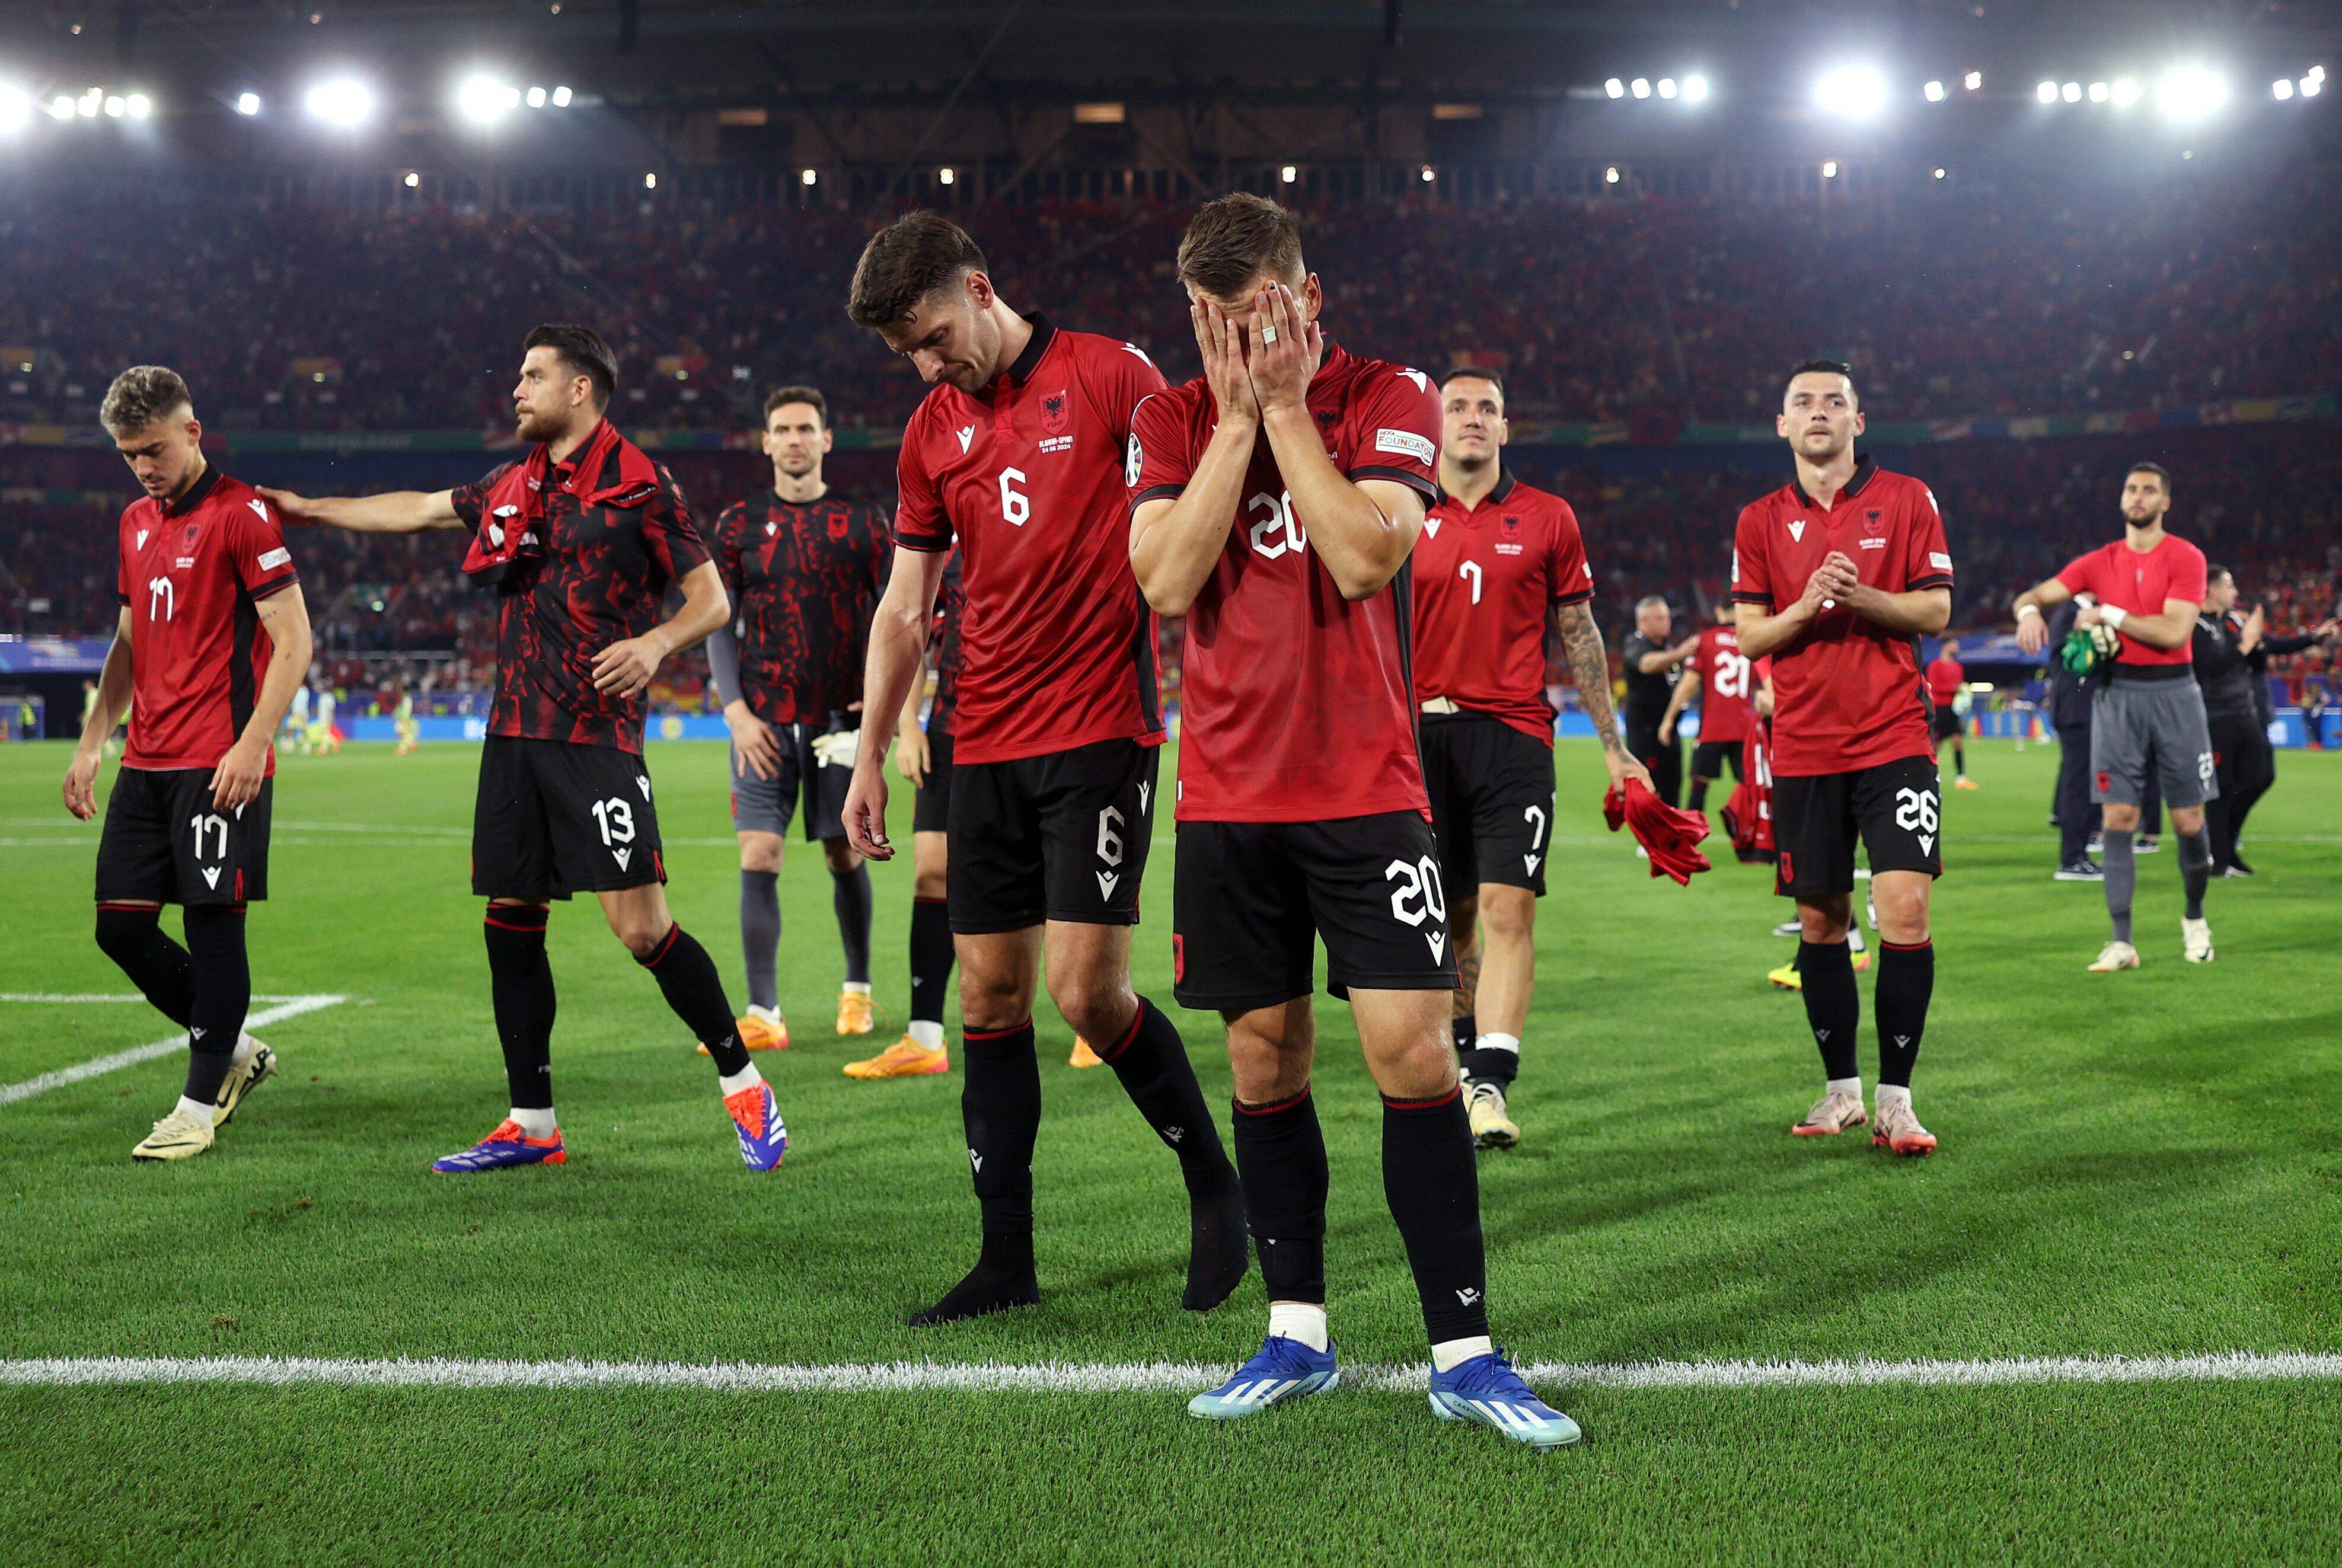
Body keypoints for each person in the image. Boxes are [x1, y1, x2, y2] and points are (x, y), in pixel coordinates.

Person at [1131, 194, 1578, 1448]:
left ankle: (1466, 1350)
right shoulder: (1170, 416)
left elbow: (1366, 555)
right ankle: (1298, 1332)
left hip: (1369, 789)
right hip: (1226, 794)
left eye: (1256, 315)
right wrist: (1233, 423)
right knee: (1263, 1064)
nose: (1234, 339)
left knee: (1414, 1056)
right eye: (1211, 321)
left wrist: (1281, 412)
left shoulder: (1391, 393)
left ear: (1305, 297)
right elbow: (1164, 580)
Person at [840, 212, 1246, 1324]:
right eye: (908, 353)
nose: (930, 365)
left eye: (933, 336)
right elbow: (905, 609)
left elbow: (1191, 528)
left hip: (1101, 734)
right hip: (984, 744)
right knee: (989, 992)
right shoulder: (931, 432)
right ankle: (1006, 1259)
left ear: (980, 286)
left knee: (1084, 991)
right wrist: (872, 751)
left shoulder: (1114, 377)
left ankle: (1217, 1185)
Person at [261, 324, 786, 1173]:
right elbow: (423, 508)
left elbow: (710, 599)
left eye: (533, 375)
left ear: (580, 389)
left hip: (594, 736)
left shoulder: (640, 483)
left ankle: (743, 1083)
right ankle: (532, 1123)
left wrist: (654, 646)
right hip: (512, 734)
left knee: (643, 929)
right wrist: (313, 509)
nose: (517, 387)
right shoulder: (512, 482)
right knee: (510, 924)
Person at [63, 366, 312, 1160]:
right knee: (118, 927)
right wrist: (92, 740)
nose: (144, 466)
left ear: (192, 432)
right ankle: (237, 1051)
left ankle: (198, 1107)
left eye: (155, 449)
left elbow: (294, 638)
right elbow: (129, 645)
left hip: (218, 760)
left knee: (213, 932)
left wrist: (254, 741)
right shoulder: (136, 522)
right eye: (131, 454)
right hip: (146, 759)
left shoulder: (243, 516)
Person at [1409, 366, 1647, 1151]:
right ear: (1434, 421)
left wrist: (1615, 749)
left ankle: (1488, 1081)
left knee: (1510, 906)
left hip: (1514, 736)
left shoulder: (1548, 517)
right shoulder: (1399, 507)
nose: (1473, 419)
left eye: (1488, 409)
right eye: (1458, 406)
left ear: (1505, 428)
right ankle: (1455, 1058)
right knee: (1451, 915)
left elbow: (1579, 633)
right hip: (1415, 737)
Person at [1732, 360, 1951, 1158]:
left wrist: (1860, 599)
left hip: (1893, 737)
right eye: (1801, 402)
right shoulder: (1758, 520)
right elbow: (1749, 634)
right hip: (1802, 747)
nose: (1817, 412)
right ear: (1781, 425)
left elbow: (1935, 606)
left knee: (1904, 910)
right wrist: (1805, 605)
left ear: (1859, 421)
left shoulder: (1905, 499)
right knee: (1821, 921)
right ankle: (1841, 1093)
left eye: (1834, 401)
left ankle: (1896, 1098)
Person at [704, 385, 894, 1053]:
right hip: (760, 721)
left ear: (825, 439)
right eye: (781, 429)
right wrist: (733, 711)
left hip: (841, 721)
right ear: (765, 442)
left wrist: (884, 704)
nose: (793, 439)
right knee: (759, 852)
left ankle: (858, 992)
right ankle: (763, 1011)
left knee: (844, 853)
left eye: (805, 428)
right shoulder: (735, 525)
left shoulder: (865, 522)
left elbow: (894, 619)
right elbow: (718, 624)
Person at [2012, 462, 2216, 970]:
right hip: (2117, 697)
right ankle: (2122, 941)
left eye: (2149, 490)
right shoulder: (2099, 561)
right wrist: (2029, 613)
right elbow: (2032, 594)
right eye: (2131, 488)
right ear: (2121, 498)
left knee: (2188, 820)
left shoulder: (2187, 557)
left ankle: (2194, 916)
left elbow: (2173, 633)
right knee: (2118, 816)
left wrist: (2109, 614)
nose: (2139, 496)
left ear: (2165, 502)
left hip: (2175, 695)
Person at [849, 544, 965, 1079]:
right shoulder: (952, 549)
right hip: (953, 725)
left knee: (1055, 873)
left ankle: (1087, 1023)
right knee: (931, 869)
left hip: (1046, 724)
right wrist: (911, 725)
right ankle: (925, 1037)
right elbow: (914, 629)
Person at [2228, 592, 2337, 872]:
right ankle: (2221, 838)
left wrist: (2315, 637)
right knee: (2237, 778)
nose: (2247, 621)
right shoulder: (2230, 648)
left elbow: (2285, 645)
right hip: (2235, 717)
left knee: (2262, 777)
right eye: (2242, 619)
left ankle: (2227, 832)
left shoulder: (2261, 644)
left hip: (2259, 716)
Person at [1661, 603, 1753, 816]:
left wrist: (1669, 718)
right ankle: (1758, 839)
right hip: (1745, 729)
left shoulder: (1706, 639)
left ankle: (1691, 838)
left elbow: (1688, 685)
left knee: (1699, 785)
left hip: (1713, 729)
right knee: (1751, 787)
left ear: (1718, 610)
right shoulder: (1751, 640)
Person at [2044, 595, 2105, 880]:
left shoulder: (2074, 611)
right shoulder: (2069, 612)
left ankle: (2080, 852)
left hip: (2084, 708)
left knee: (2084, 782)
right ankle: (2071, 859)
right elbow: (2069, 658)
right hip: (2076, 709)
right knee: (2077, 783)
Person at [1618, 596, 1700, 807]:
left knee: (1673, 790)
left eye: (1667, 617)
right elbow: (1646, 664)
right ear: (1643, 621)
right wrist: (1680, 654)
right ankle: (1647, 840)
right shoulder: (1634, 644)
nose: (1667, 622)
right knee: (1647, 791)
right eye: (1659, 618)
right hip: (1645, 734)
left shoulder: (1667, 647)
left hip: (1670, 731)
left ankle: (1670, 839)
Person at [1924, 637, 1977, 790]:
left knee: (1958, 741)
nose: (1957, 647)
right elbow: (1933, 686)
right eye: (1954, 644)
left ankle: (1961, 778)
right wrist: (1953, 688)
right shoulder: (1935, 666)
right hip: (1939, 708)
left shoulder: (1958, 667)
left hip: (1953, 709)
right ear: (1946, 646)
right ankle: (1928, 775)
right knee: (1936, 745)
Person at [394, 689, 420, 755]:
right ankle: (412, 743)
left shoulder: (405, 705)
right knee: (404, 735)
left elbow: (405, 713)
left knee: (403, 735)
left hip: (404, 722)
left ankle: (403, 749)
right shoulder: (403, 706)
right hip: (405, 721)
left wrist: (405, 721)